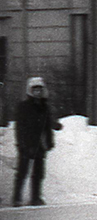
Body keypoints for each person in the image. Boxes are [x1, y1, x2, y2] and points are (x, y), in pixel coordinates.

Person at [13, 77, 61, 206]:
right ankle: (17, 198)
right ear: (30, 91)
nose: (38, 92)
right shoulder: (23, 106)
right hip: (27, 143)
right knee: (22, 171)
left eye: (40, 90)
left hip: (40, 144)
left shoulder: (44, 107)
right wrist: (21, 144)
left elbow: (47, 126)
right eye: (35, 90)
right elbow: (20, 127)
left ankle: (36, 197)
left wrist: (50, 141)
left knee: (38, 173)